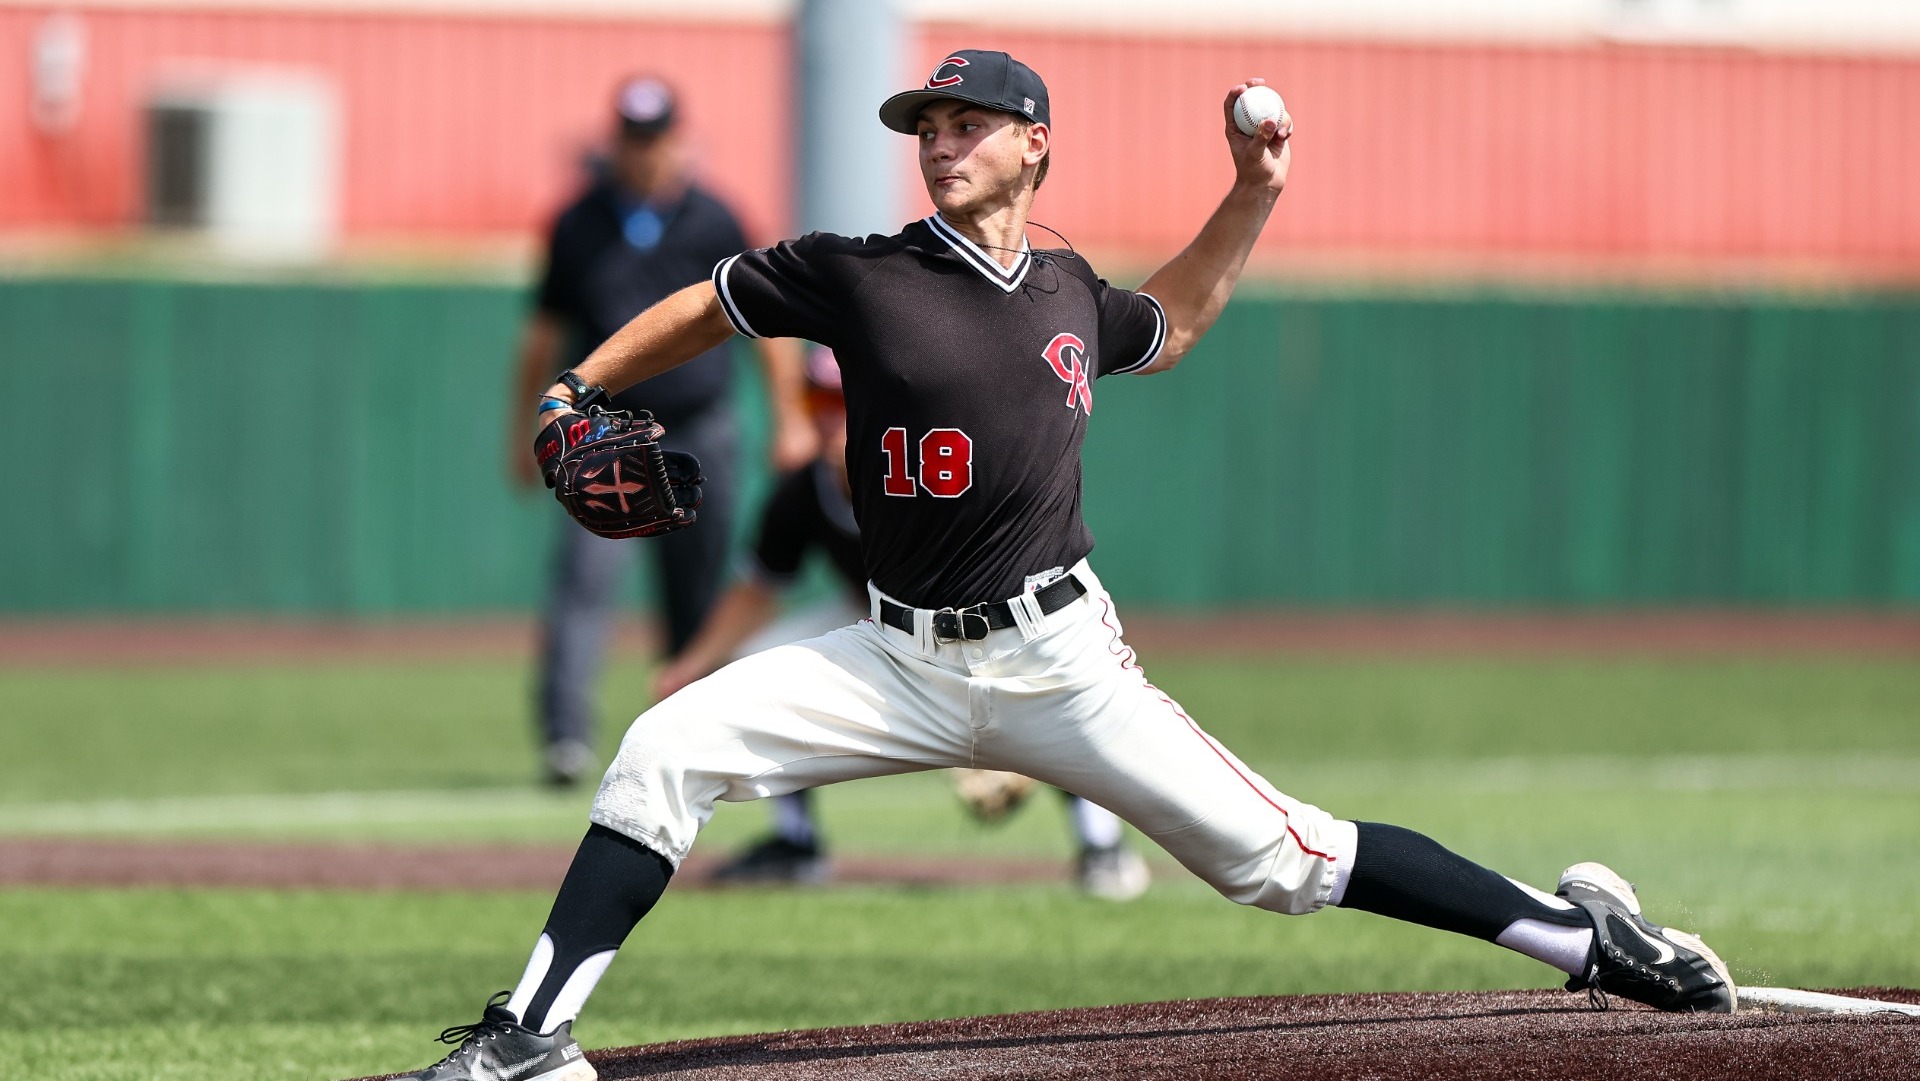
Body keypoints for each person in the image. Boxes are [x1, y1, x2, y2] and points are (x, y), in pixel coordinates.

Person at [410, 50, 1734, 1081]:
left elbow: (1181, 319)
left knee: (1287, 862)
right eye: (925, 127)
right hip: (894, 657)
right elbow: (710, 302)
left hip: (1058, 663)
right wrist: (580, 384)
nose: (937, 142)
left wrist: (1255, 191)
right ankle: (530, 1036)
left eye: (965, 123)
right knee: (662, 750)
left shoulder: (1069, 294)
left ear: (1035, 143)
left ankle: (1584, 938)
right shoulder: (859, 276)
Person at [656, 348, 1151, 900]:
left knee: (1049, 680)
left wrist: (1001, 728)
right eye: (814, 399)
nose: (826, 416)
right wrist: (691, 665)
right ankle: (797, 844)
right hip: (874, 613)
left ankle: (1100, 843)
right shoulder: (803, 492)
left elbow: (990, 568)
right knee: (756, 663)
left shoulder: (926, 468)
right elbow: (757, 589)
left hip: (975, 611)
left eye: (840, 401)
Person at [511, 75, 812, 786]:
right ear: (614, 141)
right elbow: (542, 334)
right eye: (633, 139)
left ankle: (692, 730)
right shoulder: (578, 221)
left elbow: (765, 324)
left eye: (656, 138)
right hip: (602, 436)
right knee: (583, 585)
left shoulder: (714, 219)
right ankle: (565, 739)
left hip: (699, 430)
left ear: (679, 140)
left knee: (699, 593)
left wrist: (790, 413)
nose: (645, 153)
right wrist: (523, 427)